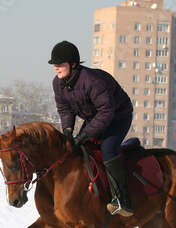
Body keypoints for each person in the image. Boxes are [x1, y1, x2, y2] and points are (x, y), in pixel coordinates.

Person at [49, 40, 134, 217]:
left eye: (60, 64)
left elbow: (106, 113)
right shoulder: (58, 83)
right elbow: (65, 110)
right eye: (54, 64)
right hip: (95, 118)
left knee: (107, 150)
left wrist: (85, 134)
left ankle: (121, 200)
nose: (56, 68)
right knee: (78, 148)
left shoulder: (93, 82)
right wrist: (67, 132)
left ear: (73, 64)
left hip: (117, 116)